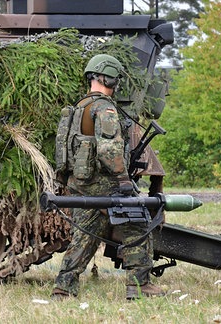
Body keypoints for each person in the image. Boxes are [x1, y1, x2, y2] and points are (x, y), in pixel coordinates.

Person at [51, 54, 165, 300]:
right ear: (110, 78)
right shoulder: (105, 108)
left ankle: (64, 286)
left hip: (81, 182)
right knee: (138, 224)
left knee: (84, 236)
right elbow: (108, 148)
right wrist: (123, 179)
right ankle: (139, 285)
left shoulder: (79, 106)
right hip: (104, 182)